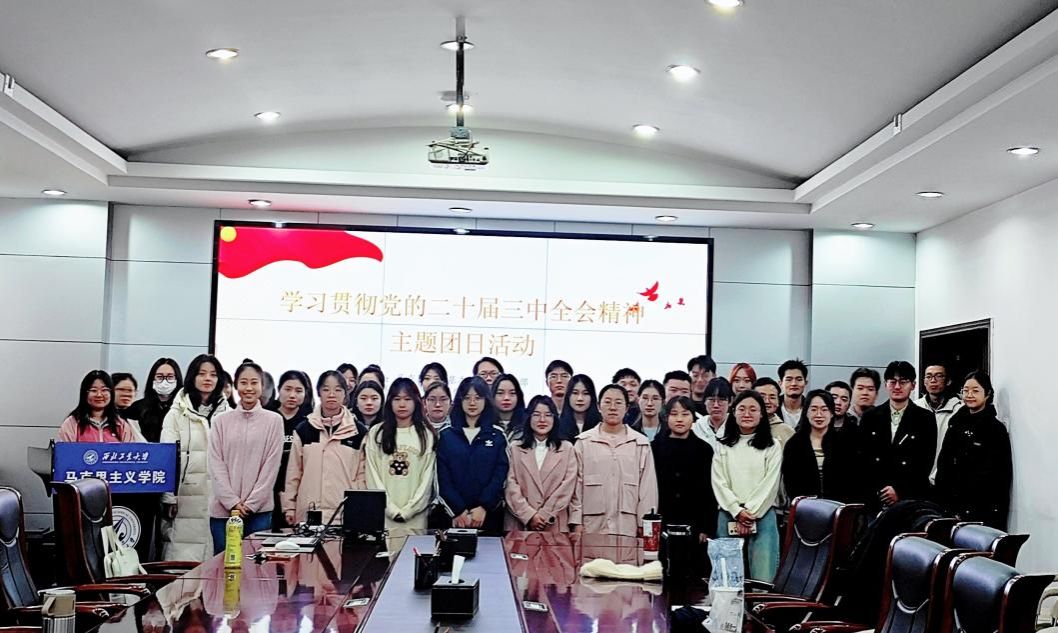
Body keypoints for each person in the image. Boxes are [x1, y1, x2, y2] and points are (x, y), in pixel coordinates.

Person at [160, 354, 231, 561]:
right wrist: (168, 497)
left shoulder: (228, 415)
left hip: (218, 497)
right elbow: (167, 458)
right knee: (181, 556)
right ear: (192, 377)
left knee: (215, 556)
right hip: (185, 496)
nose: (208, 378)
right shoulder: (176, 414)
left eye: (213, 374)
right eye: (202, 374)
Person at [207, 362, 283, 554]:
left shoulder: (274, 421)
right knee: (222, 564)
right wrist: (231, 501)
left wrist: (251, 504)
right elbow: (216, 464)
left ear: (262, 386)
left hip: (259, 512)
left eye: (254, 382)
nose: (249, 388)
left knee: (255, 565)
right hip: (223, 511)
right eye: (243, 382)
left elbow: (271, 466)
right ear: (235, 385)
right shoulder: (220, 421)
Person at [711, 390, 782, 581]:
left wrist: (750, 513)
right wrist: (736, 511)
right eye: (741, 409)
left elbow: (770, 484)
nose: (747, 414)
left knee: (763, 577)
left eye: (753, 409)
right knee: (726, 578)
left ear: (762, 414)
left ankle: (759, 603)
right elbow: (718, 481)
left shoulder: (773, 446)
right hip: (728, 513)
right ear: (733, 412)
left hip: (762, 515)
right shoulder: (722, 445)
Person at [570, 384, 658, 537]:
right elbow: (575, 487)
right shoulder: (583, 442)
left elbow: (648, 489)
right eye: (607, 402)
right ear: (599, 407)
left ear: (627, 408)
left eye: (618, 402)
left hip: (628, 526)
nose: (612, 407)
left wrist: (644, 524)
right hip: (591, 526)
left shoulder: (640, 443)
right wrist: (576, 522)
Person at [282, 371, 367, 525]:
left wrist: (360, 509)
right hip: (309, 512)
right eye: (326, 389)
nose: (331, 394)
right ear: (319, 392)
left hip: (344, 513)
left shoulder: (358, 431)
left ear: (345, 394)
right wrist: (289, 507)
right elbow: (294, 473)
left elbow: (361, 476)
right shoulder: (304, 429)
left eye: (338, 390)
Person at [934, 371, 1012, 530]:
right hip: (950, 507)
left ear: (987, 394)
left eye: (975, 391)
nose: (969, 395)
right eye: (965, 390)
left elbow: (998, 475)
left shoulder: (995, 429)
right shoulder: (955, 423)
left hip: (980, 509)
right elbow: (944, 464)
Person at [858, 361, 937, 513]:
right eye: (892, 382)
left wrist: (900, 490)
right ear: (885, 384)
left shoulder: (925, 418)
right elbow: (863, 459)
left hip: (909, 499)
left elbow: (925, 462)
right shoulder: (870, 417)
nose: (897, 386)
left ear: (913, 385)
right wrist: (880, 490)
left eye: (903, 382)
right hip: (874, 499)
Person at [436, 377, 509, 534]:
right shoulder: (446, 435)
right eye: (467, 398)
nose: (472, 403)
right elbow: (442, 477)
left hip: (488, 515)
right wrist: (458, 510)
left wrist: (484, 506)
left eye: (478, 398)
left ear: (486, 400)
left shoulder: (497, 436)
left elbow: (501, 475)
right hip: (454, 517)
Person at [365, 378, 437, 536]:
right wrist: (390, 509)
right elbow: (372, 475)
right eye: (397, 399)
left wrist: (410, 510)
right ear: (389, 402)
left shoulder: (426, 435)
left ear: (416, 402)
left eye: (407, 399)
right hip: (384, 516)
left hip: (416, 518)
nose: (402, 404)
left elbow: (427, 480)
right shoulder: (377, 433)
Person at [505, 396, 577, 532]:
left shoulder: (567, 448)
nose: (542, 420)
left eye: (548, 415)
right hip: (520, 523)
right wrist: (529, 515)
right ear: (529, 418)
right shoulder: (515, 448)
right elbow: (510, 485)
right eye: (536, 415)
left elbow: (567, 487)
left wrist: (545, 514)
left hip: (554, 523)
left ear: (555, 418)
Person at [652, 396, 717, 541]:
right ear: (666, 417)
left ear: (693, 418)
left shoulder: (704, 450)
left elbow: (709, 491)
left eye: (685, 414)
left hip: (694, 525)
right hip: (662, 522)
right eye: (674, 414)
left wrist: (706, 527)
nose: (679, 419)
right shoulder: (654, 448)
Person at [782, 390, 855, 502]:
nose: (819, 414)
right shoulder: (794, 444)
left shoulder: (844, 443)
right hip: (805, 506)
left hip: (839, 505)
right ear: (806, 412)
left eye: (824, 409)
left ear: (831, 413)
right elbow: (790, 482)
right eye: (814, 409)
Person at [267, 370, 314, 529]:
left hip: (296, 491)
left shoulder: (309, 423)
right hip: (268, 488)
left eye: (298, 391)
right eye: (287, 389)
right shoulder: (268, 416)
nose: (292, 395)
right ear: (278, 390)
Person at [57, 370, 142, 442]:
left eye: (104, 390)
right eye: (93, 390)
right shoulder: (72, 423)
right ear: (84, 394)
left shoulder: (121, 424)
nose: (99, 395)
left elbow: (129, 453)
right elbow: (65, 453)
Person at [915, 362, 963, 477]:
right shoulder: (915, 407)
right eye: (929, 376)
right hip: (918, 477)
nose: (933, 380)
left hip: (947, 477)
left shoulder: (960, 410)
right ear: (924, 381)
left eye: (939, 376)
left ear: (948, 381)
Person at [126, 358, 183, 443]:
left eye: (170, 377)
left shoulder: (183, 407)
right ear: (152, 379)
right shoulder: (138, 407)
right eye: (159, 377)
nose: (164, 381)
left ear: (177, 379)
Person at [692, 378, 734, 449]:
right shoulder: (697, 427)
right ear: (704, 401)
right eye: (711, 400)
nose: (716, 405)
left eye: (721, 400)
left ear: (730, 401)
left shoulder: (737, 425)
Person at [557, 374, 602, 441]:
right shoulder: (557, 424)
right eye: (575, 393)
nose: (580, 398)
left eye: (585, 393)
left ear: (592, 397)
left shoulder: (601, 425)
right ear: (568, 396)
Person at [753, 377, 794, 446]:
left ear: (778, 401)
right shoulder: (744, 427)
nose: (767, 401)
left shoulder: (787, 431)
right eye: (762, 397)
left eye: (772, 397)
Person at [492, 374, 528, 438]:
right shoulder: (484, 423)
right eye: (500, 393)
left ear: (518, 396)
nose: (506, 398)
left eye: (512, 393)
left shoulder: (528, 424)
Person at [778, 359, 808, 427]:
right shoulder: (773, 407)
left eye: (799, 379)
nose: (794, 383)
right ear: (780, 383)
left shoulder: (811, 408)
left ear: (805, 383)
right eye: (789, 379)